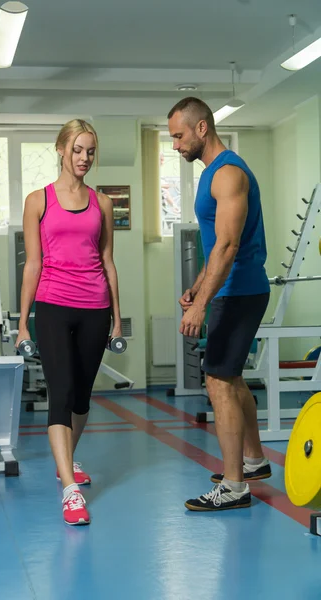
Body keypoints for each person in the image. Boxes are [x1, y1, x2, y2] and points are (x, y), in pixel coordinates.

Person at [16, 119, 122, 526]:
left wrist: (116, 320)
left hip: (94, 307)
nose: (84, 158)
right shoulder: (38, 200)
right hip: (54, 305)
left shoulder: (102, 203)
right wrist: (24, 323)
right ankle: (69, 489)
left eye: (90, 151)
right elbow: (33, 265)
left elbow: (109, 263)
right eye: (77, 150)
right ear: (60, 149)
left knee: (81, 398)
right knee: (59, 393)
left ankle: (68, 461)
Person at [167, 97, 271, 511]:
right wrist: (197, 287)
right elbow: (216, 246)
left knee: (218, 382)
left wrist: (200, 306)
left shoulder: (228, 173)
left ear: (202, 128)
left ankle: (233, 486)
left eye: (178, 135)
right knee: (232, 377)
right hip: (232, 288)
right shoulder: (213, 172)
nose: (175, 145)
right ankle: (254, 461)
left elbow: (228, 246)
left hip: (239, 290)